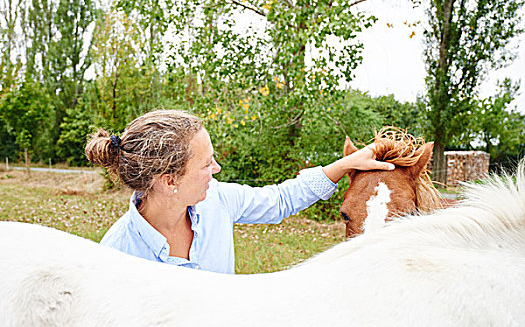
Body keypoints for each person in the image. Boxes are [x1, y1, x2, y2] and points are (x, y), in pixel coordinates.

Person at [85, 109, 394, 274]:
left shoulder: (217, 201)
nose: (216, 169)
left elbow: (280, 200)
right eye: (206, 164)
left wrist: (345, 164)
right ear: (169, 181)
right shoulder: (116, 255)